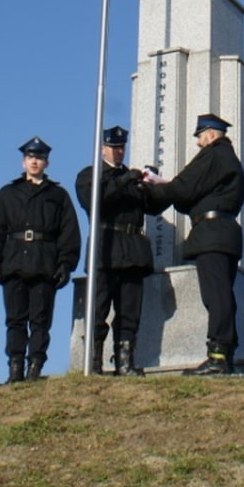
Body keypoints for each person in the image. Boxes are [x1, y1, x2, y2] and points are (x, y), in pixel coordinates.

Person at [142, 113, 244, 375]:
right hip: (223, 233)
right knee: (221, 294)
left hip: (213, 234)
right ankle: (225, 354)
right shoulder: (228, 161)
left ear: (211, 134)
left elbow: (185, 186)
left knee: (216, 296)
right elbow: (191, 192)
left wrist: (154, 188)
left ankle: (218, 356)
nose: (199, 144)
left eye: (200, 137)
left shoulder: (214, 155)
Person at [0, 136, 81, 383]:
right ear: (24, 161)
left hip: (44, 265)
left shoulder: (58, 196)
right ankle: (15, 370)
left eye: (39, 158)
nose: (34, 162)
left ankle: (35, 367)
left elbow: (69, 233)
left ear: (47, 162)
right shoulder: (8, 194)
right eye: (30, 157)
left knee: (40, 320)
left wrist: (66, 264)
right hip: (13, 263)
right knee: (15, 320)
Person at [75, 125, 153, 376]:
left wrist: (152, 185)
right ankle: (94, 363)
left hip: (132, 250)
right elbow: (95, 200)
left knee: (129, 312)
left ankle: (125, 363)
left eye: (121, 147)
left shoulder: (131, 179)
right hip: (105, 249)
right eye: (113, 147)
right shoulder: (90, 175)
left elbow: (151, 206)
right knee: (98, 310)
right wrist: (124, 181)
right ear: (102, 148)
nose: (119, 152)